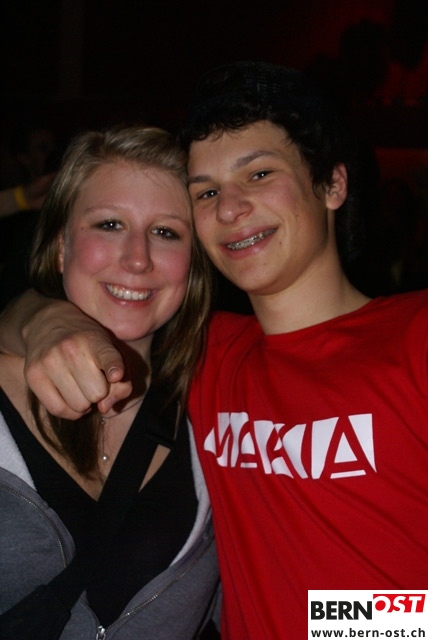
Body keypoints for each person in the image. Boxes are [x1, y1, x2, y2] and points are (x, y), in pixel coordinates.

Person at [1, 61, 427, 639]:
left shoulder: (414, 336)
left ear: (332, 183)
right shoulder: (208, 356)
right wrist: (45, 320)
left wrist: (341, 622)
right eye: (207, 192)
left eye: (258, 174)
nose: (229, 209)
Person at [0, 125, 220, 639]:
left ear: (193, 264)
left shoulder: (221, 406)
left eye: (166, 232)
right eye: (109, 224)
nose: (138, 258)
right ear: (61, 247)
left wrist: (393, 623)